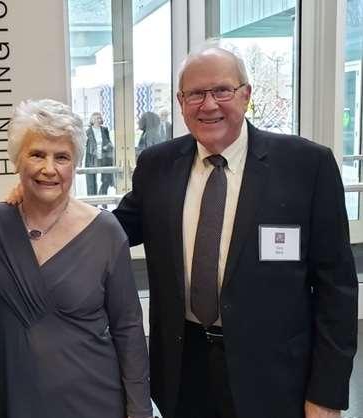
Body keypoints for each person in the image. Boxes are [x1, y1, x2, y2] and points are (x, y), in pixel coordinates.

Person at [114, 46, 358, 418]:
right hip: (183, 373)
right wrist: (40, 204)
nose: (209, 104)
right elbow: (111, 231)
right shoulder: (157, 166)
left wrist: (326, 394)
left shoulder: (306, 166)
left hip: (275, 379)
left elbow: (336, 288)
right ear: (181, 102)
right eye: (196, 94)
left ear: (246, 95)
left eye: (221, 90)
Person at [0, 99, 153, 418]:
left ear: (75, 163)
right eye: (37, 154)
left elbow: (128, 329)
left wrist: (139, 411)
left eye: (61, 157)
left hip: (92, 400)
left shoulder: (105, 231)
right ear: (17, 159)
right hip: (11, 400)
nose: (49, 168)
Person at [85, 112, 114, 195]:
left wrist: (107, 146)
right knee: (91, 180)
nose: (99, 120)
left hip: (104, 156)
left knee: (106, 179)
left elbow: (109, 142)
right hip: (92, 157)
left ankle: (102, 194)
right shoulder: (88, 131)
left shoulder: (105, 130)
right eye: (97, 118)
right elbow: (85, 145)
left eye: (100, 118)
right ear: (92, 120)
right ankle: (92, 198)